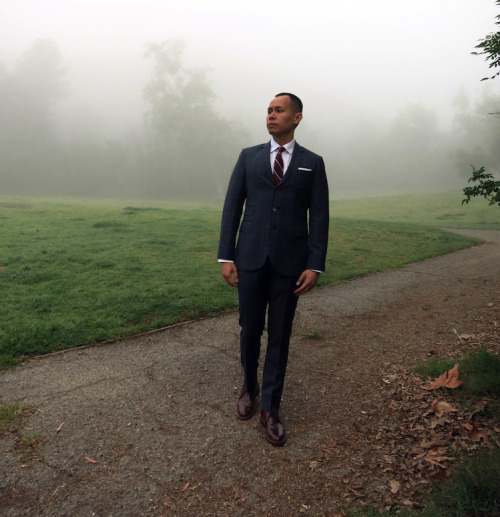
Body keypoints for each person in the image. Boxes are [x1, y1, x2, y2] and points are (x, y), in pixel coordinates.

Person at [218, 93, 329, 446]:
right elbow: (232, 206)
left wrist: (315, 264)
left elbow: (320, 217)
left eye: (279, 110)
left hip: (290, 265)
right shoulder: (249, 157)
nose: (271, 115)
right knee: (250, 330)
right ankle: (248, 389)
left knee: (280, 335)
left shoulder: (313, 162)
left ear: (296, 117)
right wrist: (226, 256)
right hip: (249, 258)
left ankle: (271, 408)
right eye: (268, 110)